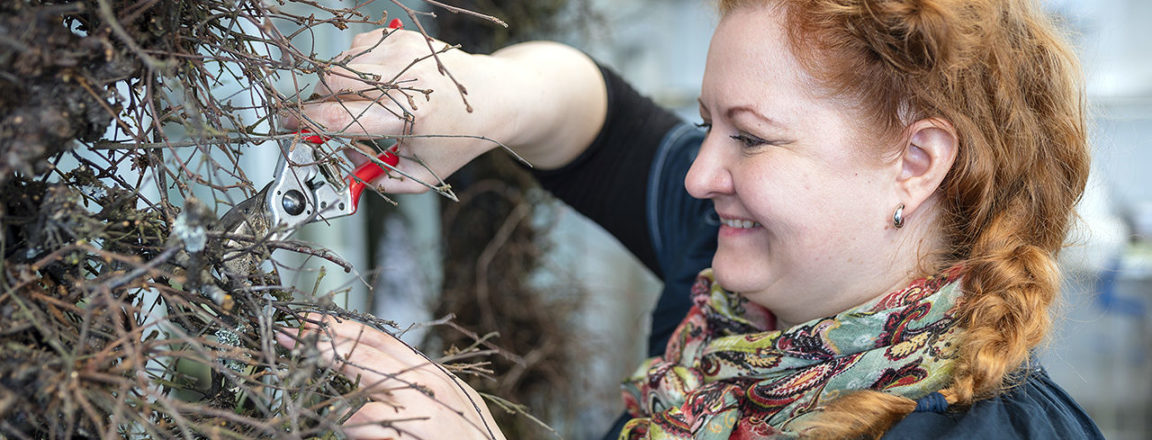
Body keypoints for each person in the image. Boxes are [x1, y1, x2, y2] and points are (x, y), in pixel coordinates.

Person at [277, 0, 1106, 438]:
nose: (704, 174)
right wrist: (480, 95)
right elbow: (596, 123)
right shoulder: (735, 284)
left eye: (750, 136)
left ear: (917, 162)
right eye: (708, 123)